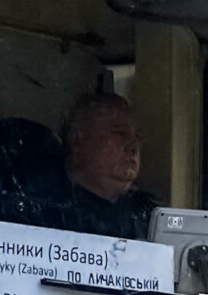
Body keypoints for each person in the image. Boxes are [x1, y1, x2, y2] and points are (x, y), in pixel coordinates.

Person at [54, 92, 158, 240]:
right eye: (119, 133)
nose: (132, 146)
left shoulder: (150, 215)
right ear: (78, 139)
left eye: (138, 136)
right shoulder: (46, 207)